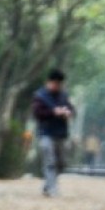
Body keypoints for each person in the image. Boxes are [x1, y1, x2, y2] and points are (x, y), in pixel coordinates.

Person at [30, 69, 74, 197]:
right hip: (45, 133)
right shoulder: (40, 96)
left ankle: (47, 185)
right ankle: (53, 189)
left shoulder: (64, 96)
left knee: (61, 163)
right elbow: (37, 113)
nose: (56, 86)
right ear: (48, 82)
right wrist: (53, 112)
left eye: (59, 84)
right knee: (49, 161)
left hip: (61, 133)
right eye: (54, 83)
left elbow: (71, 109)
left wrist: (67, 112)